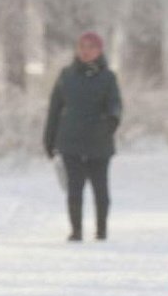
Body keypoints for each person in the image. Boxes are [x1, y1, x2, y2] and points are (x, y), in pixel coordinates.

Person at [43, 32, 122, 241]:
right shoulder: (66, 75)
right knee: (74, 189)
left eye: (91, 47)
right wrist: (49, 140)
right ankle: (76, 230)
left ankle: (101, 230)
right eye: (82, 46)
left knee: (100, 190)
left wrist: (107, 126)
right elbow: (54, 109)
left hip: (99, 143)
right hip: (70, 142)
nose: (86, 51)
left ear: (99, 50)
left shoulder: (108, 77)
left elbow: (115, 107)